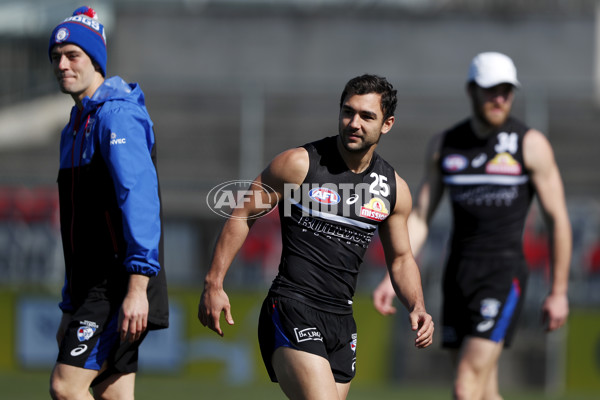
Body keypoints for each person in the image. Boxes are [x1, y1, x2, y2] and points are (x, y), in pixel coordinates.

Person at [198, 74, 434, 400]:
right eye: (348, 112)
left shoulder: (394, 189)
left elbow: (401, 258)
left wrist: (417, 305)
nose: (354, 123)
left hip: (342, 322)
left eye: (367, 116)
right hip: (292, 306)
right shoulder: (299, 165)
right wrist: (214, 283)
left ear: (387, 124)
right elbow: (242, 215)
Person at [373, 52, 572, 400]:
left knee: (465, 386)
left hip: (503, 275)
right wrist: (393, 276)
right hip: (457, 276)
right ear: (472, 91)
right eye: (490, 90)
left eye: (506, 91)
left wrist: (558, 291)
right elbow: (420, 216)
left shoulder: (530, 145)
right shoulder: (444, 146)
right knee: (483, 391)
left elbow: (558, 220)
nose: (499, 98)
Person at [47, 6, 168, 400]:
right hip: (91, 287)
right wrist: (70, 303)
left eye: (72, 55)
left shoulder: (117, 117)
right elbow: (75, 228)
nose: (62, 65)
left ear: (95, 59)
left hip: (118, 284)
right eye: (56, 57)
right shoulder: (75, 125)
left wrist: (137, 288)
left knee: (67, 387)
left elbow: (141, 201)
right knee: (113, 395)